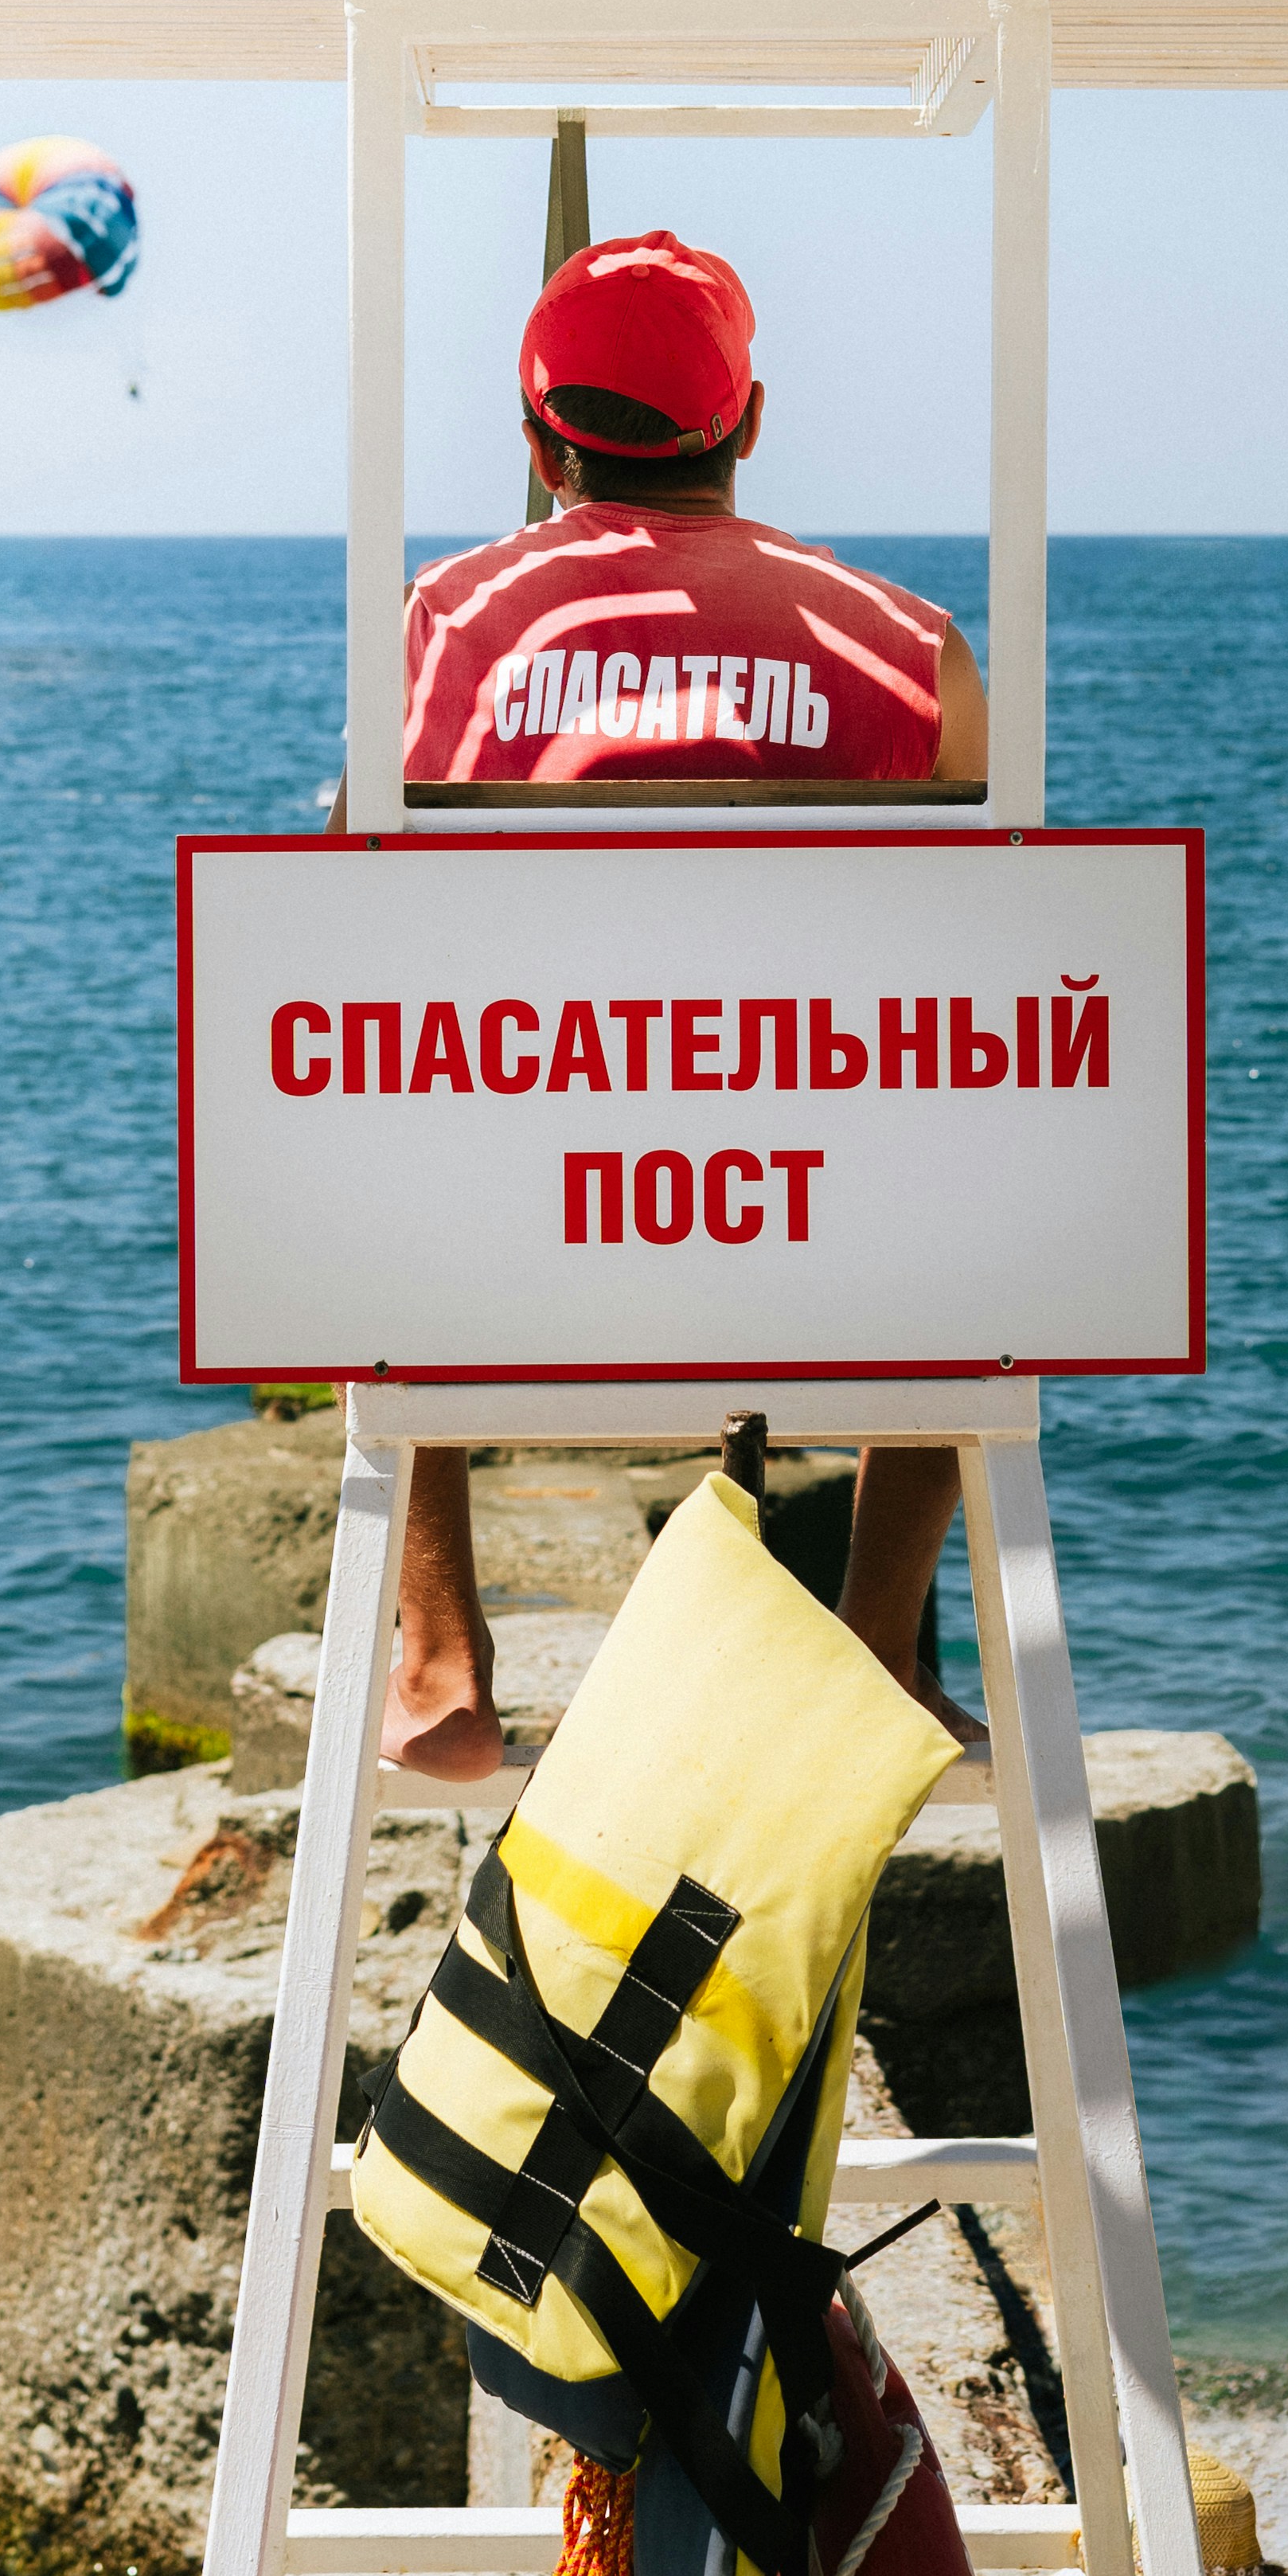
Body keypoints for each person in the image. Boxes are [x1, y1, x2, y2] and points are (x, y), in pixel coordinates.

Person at [361, 227, 989, 1779]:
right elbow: (976, 963)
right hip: (831, 1261)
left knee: (378, 1119)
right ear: (749, 424)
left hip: (516, 1264)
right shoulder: (912, 650)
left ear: (533, 438)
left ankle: (439, 1643)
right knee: (983, 1164)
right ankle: (880, 1640)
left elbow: (349, 944)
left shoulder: (433, 625)